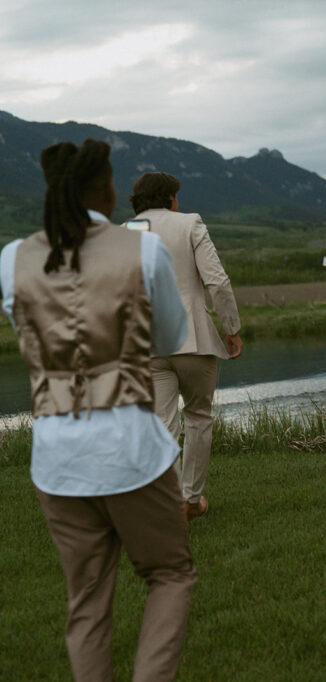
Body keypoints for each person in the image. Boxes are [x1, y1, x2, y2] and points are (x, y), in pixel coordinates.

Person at [0, 139, 194, 680]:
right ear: (106, 188)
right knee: (170, 574)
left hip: (57, 458)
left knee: (85, 604)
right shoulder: (144, 252)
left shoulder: (12, 259)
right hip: (132, 450)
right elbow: (171, 335)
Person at [129, 172, 243, 521]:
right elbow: (217, 281)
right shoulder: (190, 223)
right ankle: (190, 500)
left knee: (162, 424)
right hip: (193, 338)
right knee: (198, 417)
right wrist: (232, 328)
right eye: (176, 195)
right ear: (169, 198)